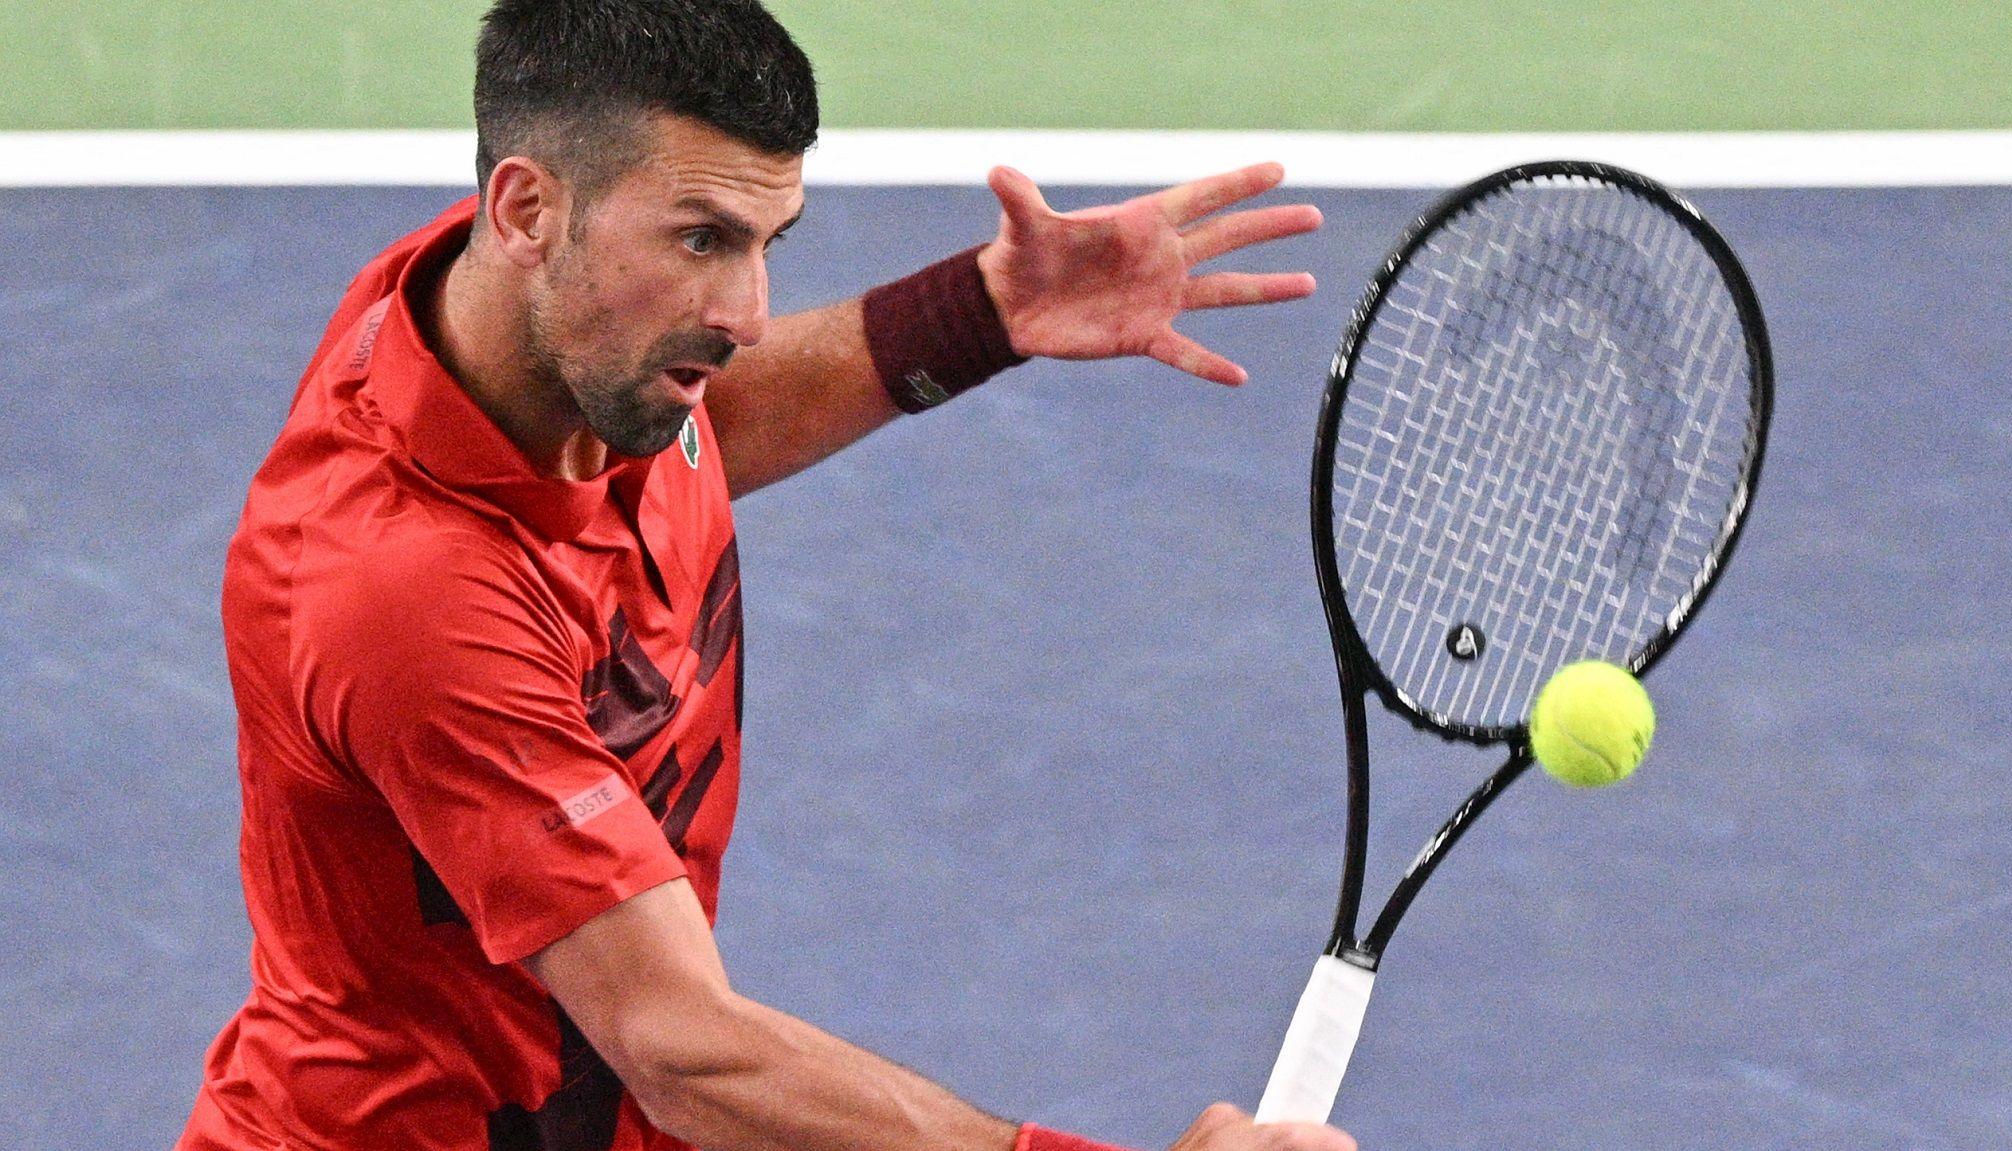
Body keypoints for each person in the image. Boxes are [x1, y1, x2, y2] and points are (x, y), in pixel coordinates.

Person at [177, 2, 1341, 1150]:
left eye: (763, 242)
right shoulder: (404, 595)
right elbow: (681, 1045)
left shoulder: (563, 341)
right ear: (525, 208)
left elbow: (699, 429)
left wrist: (979, 311)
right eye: (701, 239)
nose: (744, 313)